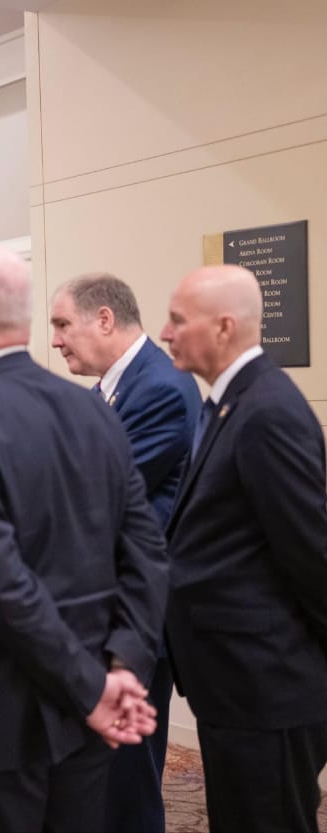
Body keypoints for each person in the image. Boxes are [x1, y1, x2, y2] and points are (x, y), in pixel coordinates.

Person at [0, 243, 168, 832]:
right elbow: (147, 553)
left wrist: (94, 690)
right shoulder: (93, 410)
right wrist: (122, 666)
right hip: (86, 708)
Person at [160, 264, 327, 833]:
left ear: (224, 327)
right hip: (234, 684)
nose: (166, 332)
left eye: (178, 320)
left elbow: (311, 554)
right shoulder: (231, 403)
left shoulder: (267, 411)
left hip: (266, 687)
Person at [50, 273, 201, 833]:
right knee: (100, 784)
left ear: (104, 319)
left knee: (127, 790)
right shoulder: (109, 390)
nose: (56, 340)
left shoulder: (160, 389)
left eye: (63, 324)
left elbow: (94, 496)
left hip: (131, 618)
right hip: (104, 612)